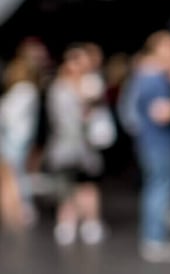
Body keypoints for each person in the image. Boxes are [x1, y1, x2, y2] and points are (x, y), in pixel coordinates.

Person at [132, 31, 170, 262]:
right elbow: (162, 113)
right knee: (160, 188)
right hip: (160, 144)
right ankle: (154, 239)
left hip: (158, 143)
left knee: (160, 187)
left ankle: (156, 237)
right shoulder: (153, 78)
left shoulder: (154, 76)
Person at [46, 46, 106, 245]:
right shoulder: (59, 88)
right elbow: (61, 118)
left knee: (87, 186)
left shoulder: (92, 84)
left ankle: (91, 222)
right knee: (65, 188)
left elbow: (96, 114)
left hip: (86, 148)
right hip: (65, 147)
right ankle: (67, 222)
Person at [1, 57, 40, 230]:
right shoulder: (27, 90)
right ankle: (17, 208)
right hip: (17, 138)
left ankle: (21, 208)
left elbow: (7, 115)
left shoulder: (23, 90)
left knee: (15, 175)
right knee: (14, 175)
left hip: (14, 139)